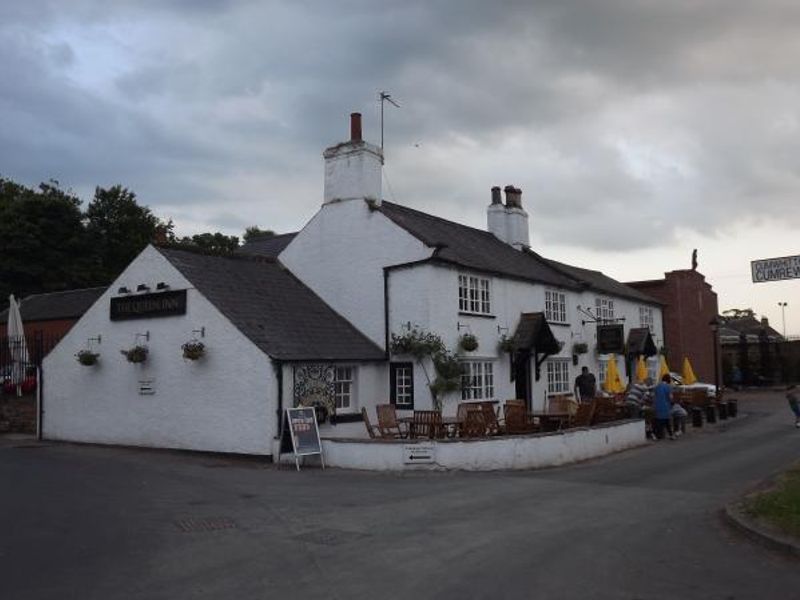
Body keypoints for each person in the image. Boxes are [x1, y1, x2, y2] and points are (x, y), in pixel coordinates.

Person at [652, 373, 676, 440]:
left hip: (657, 406)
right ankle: (671, 435)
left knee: (659, 420)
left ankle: (657, 435)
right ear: (668, 380)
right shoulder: (668, 387)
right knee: (667, 420)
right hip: (665, 406)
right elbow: (670, 397)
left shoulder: (657, 386)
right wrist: (672, 402)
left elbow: (654, 396)